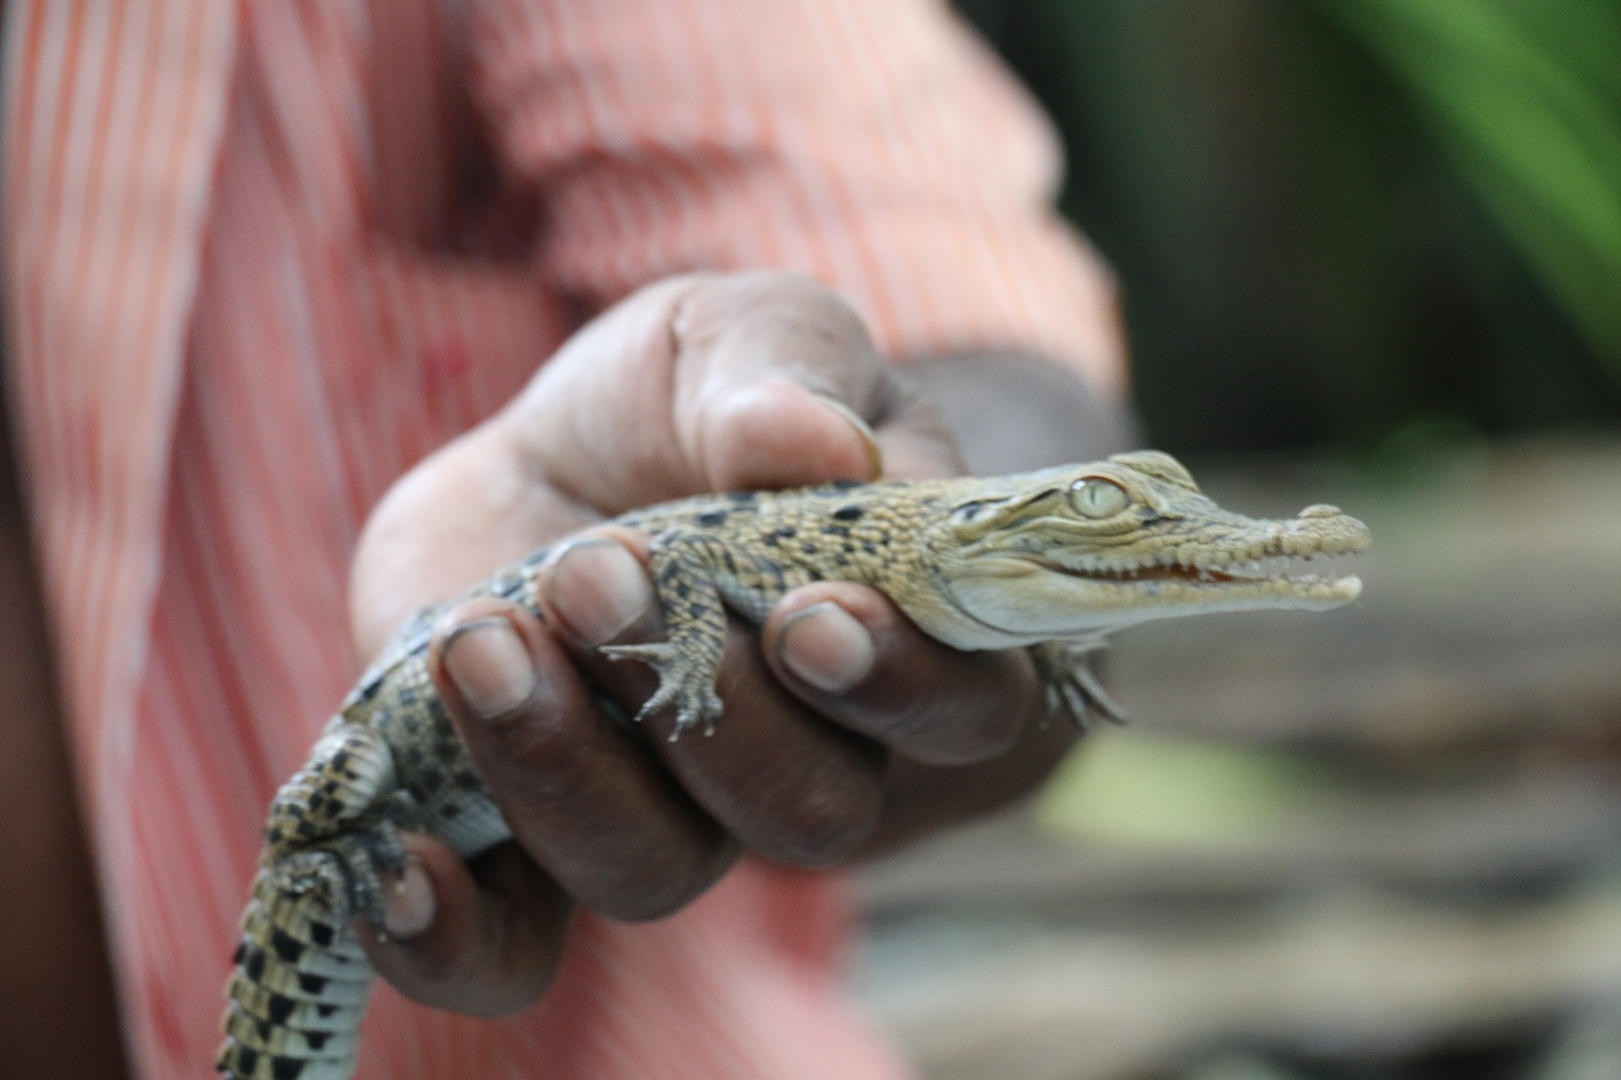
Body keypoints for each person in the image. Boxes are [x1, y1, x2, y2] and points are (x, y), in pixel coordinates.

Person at [0, 1, 1130, 1077]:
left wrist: (1016, 584)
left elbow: (957, 322)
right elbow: (697, 585)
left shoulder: (905, 542)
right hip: (384, 828)